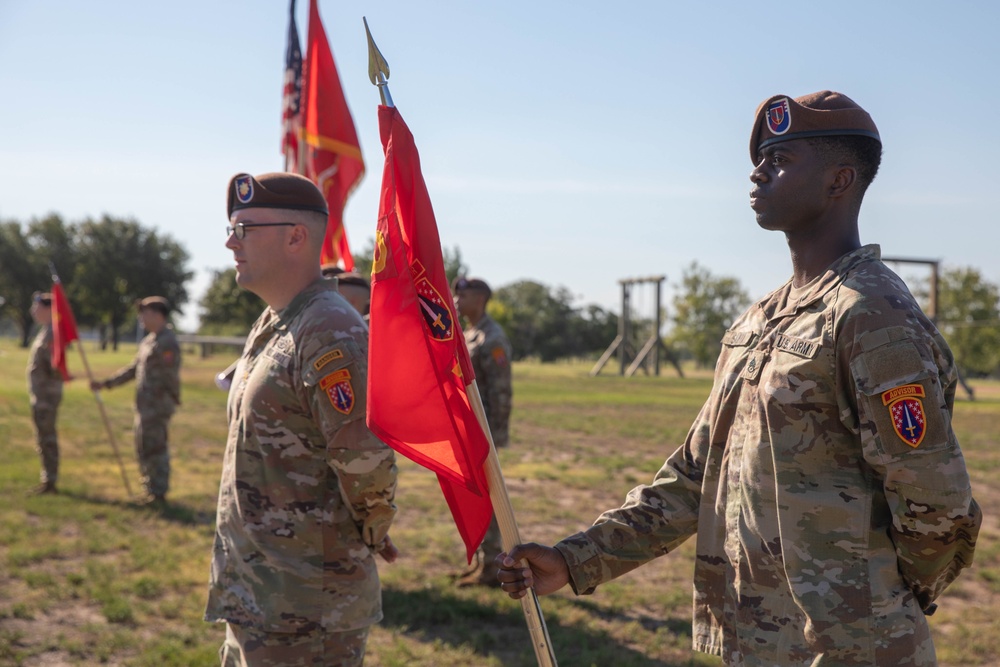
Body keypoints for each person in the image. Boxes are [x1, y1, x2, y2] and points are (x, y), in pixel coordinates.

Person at [496, 91, 982, 665]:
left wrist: (881, 600)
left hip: (853, 646)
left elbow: (936, 502)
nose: (757, 172)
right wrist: (578, 558)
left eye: (780, 160)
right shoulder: (760, 319)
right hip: (761, 642)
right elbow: (696, 474)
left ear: (839, 180)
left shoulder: (871, 315)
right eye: (761, 159)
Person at [205, 172, 398, 667]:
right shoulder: (276, 321)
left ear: (296, 236)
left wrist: (372, 530)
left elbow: (365, 457)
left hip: (306, 609)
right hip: (257, 595)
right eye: (231, 227)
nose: (230, 241)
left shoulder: (329, 329)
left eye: (244, 229)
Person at [91, 296, 181, 505]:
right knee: (143, 446)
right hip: (145, 405)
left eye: (145, 313)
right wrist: (107, 383)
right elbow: (134, 369)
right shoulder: (149, 340)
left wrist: (170, 401)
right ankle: (149, 488)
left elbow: (171, 376)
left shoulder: (167, 341)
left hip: (157, 406)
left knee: (156, 448)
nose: (141, 317)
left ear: (158, 315)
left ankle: (158, 492)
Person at [452, 276, 512, 587]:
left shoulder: (492, 338)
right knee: (476, 497)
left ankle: (492, 566)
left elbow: (502, 391)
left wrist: (497, 435)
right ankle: (481, 561)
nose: (457, 299)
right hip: (470, 431)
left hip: (484, 434)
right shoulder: (470, 334)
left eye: (464, 294)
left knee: (489, 499)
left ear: (481, 298)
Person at [26, 292, 63, 494]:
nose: (33, 311)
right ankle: (48, 479)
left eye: (36, 306)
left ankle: (50, 481)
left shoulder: (52, 334)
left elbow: (55, 367)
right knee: (43, 437)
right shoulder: (46, 331)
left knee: (47, 438)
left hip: (47, 397)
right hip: (41, 395)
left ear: (49, 309)